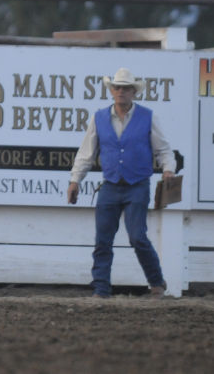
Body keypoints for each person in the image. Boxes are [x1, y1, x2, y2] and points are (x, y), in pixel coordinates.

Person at [66, 67, 176, 298]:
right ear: (112, 90)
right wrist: (75, 180)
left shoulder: (148, 117)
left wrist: (168, 169)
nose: (120, 92)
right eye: (117, 88)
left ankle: (156, 283)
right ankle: (101, 288)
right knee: (103, 240)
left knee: (137, 236)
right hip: (111, 184)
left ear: (133, 92)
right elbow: (86, 153)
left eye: (125, 88)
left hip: (138, 185)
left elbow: (163, 148)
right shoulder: (99, 118)